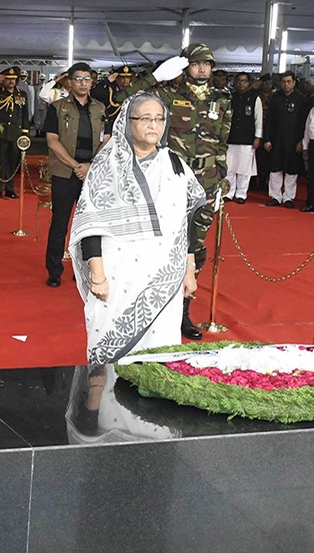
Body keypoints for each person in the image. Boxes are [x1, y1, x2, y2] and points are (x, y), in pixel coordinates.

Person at [69, 93, 206, 366]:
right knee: (110, 348)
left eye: (159, 119)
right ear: (126, 122)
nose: (153, 125)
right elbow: (90, 225)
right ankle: (108, 406)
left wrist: (189, 268)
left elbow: (186, 223)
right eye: (145, 119)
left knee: (160, 351)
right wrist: (97, 275)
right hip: (117, 274)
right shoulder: (107, 166)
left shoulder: (175, 164)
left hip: (164, 276)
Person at [115, 43, 231, 340]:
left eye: (207, 64)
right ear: (185, 66)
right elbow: (124, 100)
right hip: (172, 179)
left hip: (205, 181)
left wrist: (221, 179)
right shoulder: (167, 95)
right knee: (163, 244)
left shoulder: (222, 99)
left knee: (196, 246)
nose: (202, 69)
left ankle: (183, 311)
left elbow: (221, 143)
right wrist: (155, 76)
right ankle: (152, 306)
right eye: (196, 63)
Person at [44, 62, 109, 288]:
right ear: (69, 82)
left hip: (91, 174)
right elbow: (52, 141)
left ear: (92, 82)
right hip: (64, 173)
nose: (83, 83)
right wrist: (75, 166)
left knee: (88, 224)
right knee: (59, 223)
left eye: (87, 79)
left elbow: (107, 140)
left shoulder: (100, 108)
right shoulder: (57, 107)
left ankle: (83, 269)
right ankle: (54, 270)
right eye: (78, 79)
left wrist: (90, 166)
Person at [263, 72, 308, 209]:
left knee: (291, 169)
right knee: (275, 167)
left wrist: (302, 141)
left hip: (294, 140)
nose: (286, 84)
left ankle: (289, 197)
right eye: (283, 82)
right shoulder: (275, 99)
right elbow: (269, 121)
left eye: (289, 81)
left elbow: (304, 123)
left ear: (294, 82)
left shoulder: (301, 100)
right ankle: (275, 196)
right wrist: (267, 139)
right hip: (276, 139)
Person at [0, 66, 30, 199]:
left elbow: (24, 114)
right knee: (0, 161)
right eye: (8, 79)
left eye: (14, 79)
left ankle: (10, 189)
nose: (11, 82)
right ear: (3, 80)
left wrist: (25, 133)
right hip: (1, 133)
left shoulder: (21, 94)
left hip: (15, 133)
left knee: (13, 162)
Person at [224, 72, 262, 205]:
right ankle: (229, 192)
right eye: (239, 81)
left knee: (244, 169)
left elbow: (259, 119)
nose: (241, 83)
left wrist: (258, 137)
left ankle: (241, 193)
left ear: (249, 83)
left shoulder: (254, 98)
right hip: (231, 137)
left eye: (244, 81)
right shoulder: (231, 97)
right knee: (230, 167)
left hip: (247, 138)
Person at [303, 103, 314, 213]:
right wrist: (305, 146)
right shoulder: (312, 110)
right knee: (311, 175)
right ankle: (311, 202)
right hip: (312, 144)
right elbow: (307, 130)